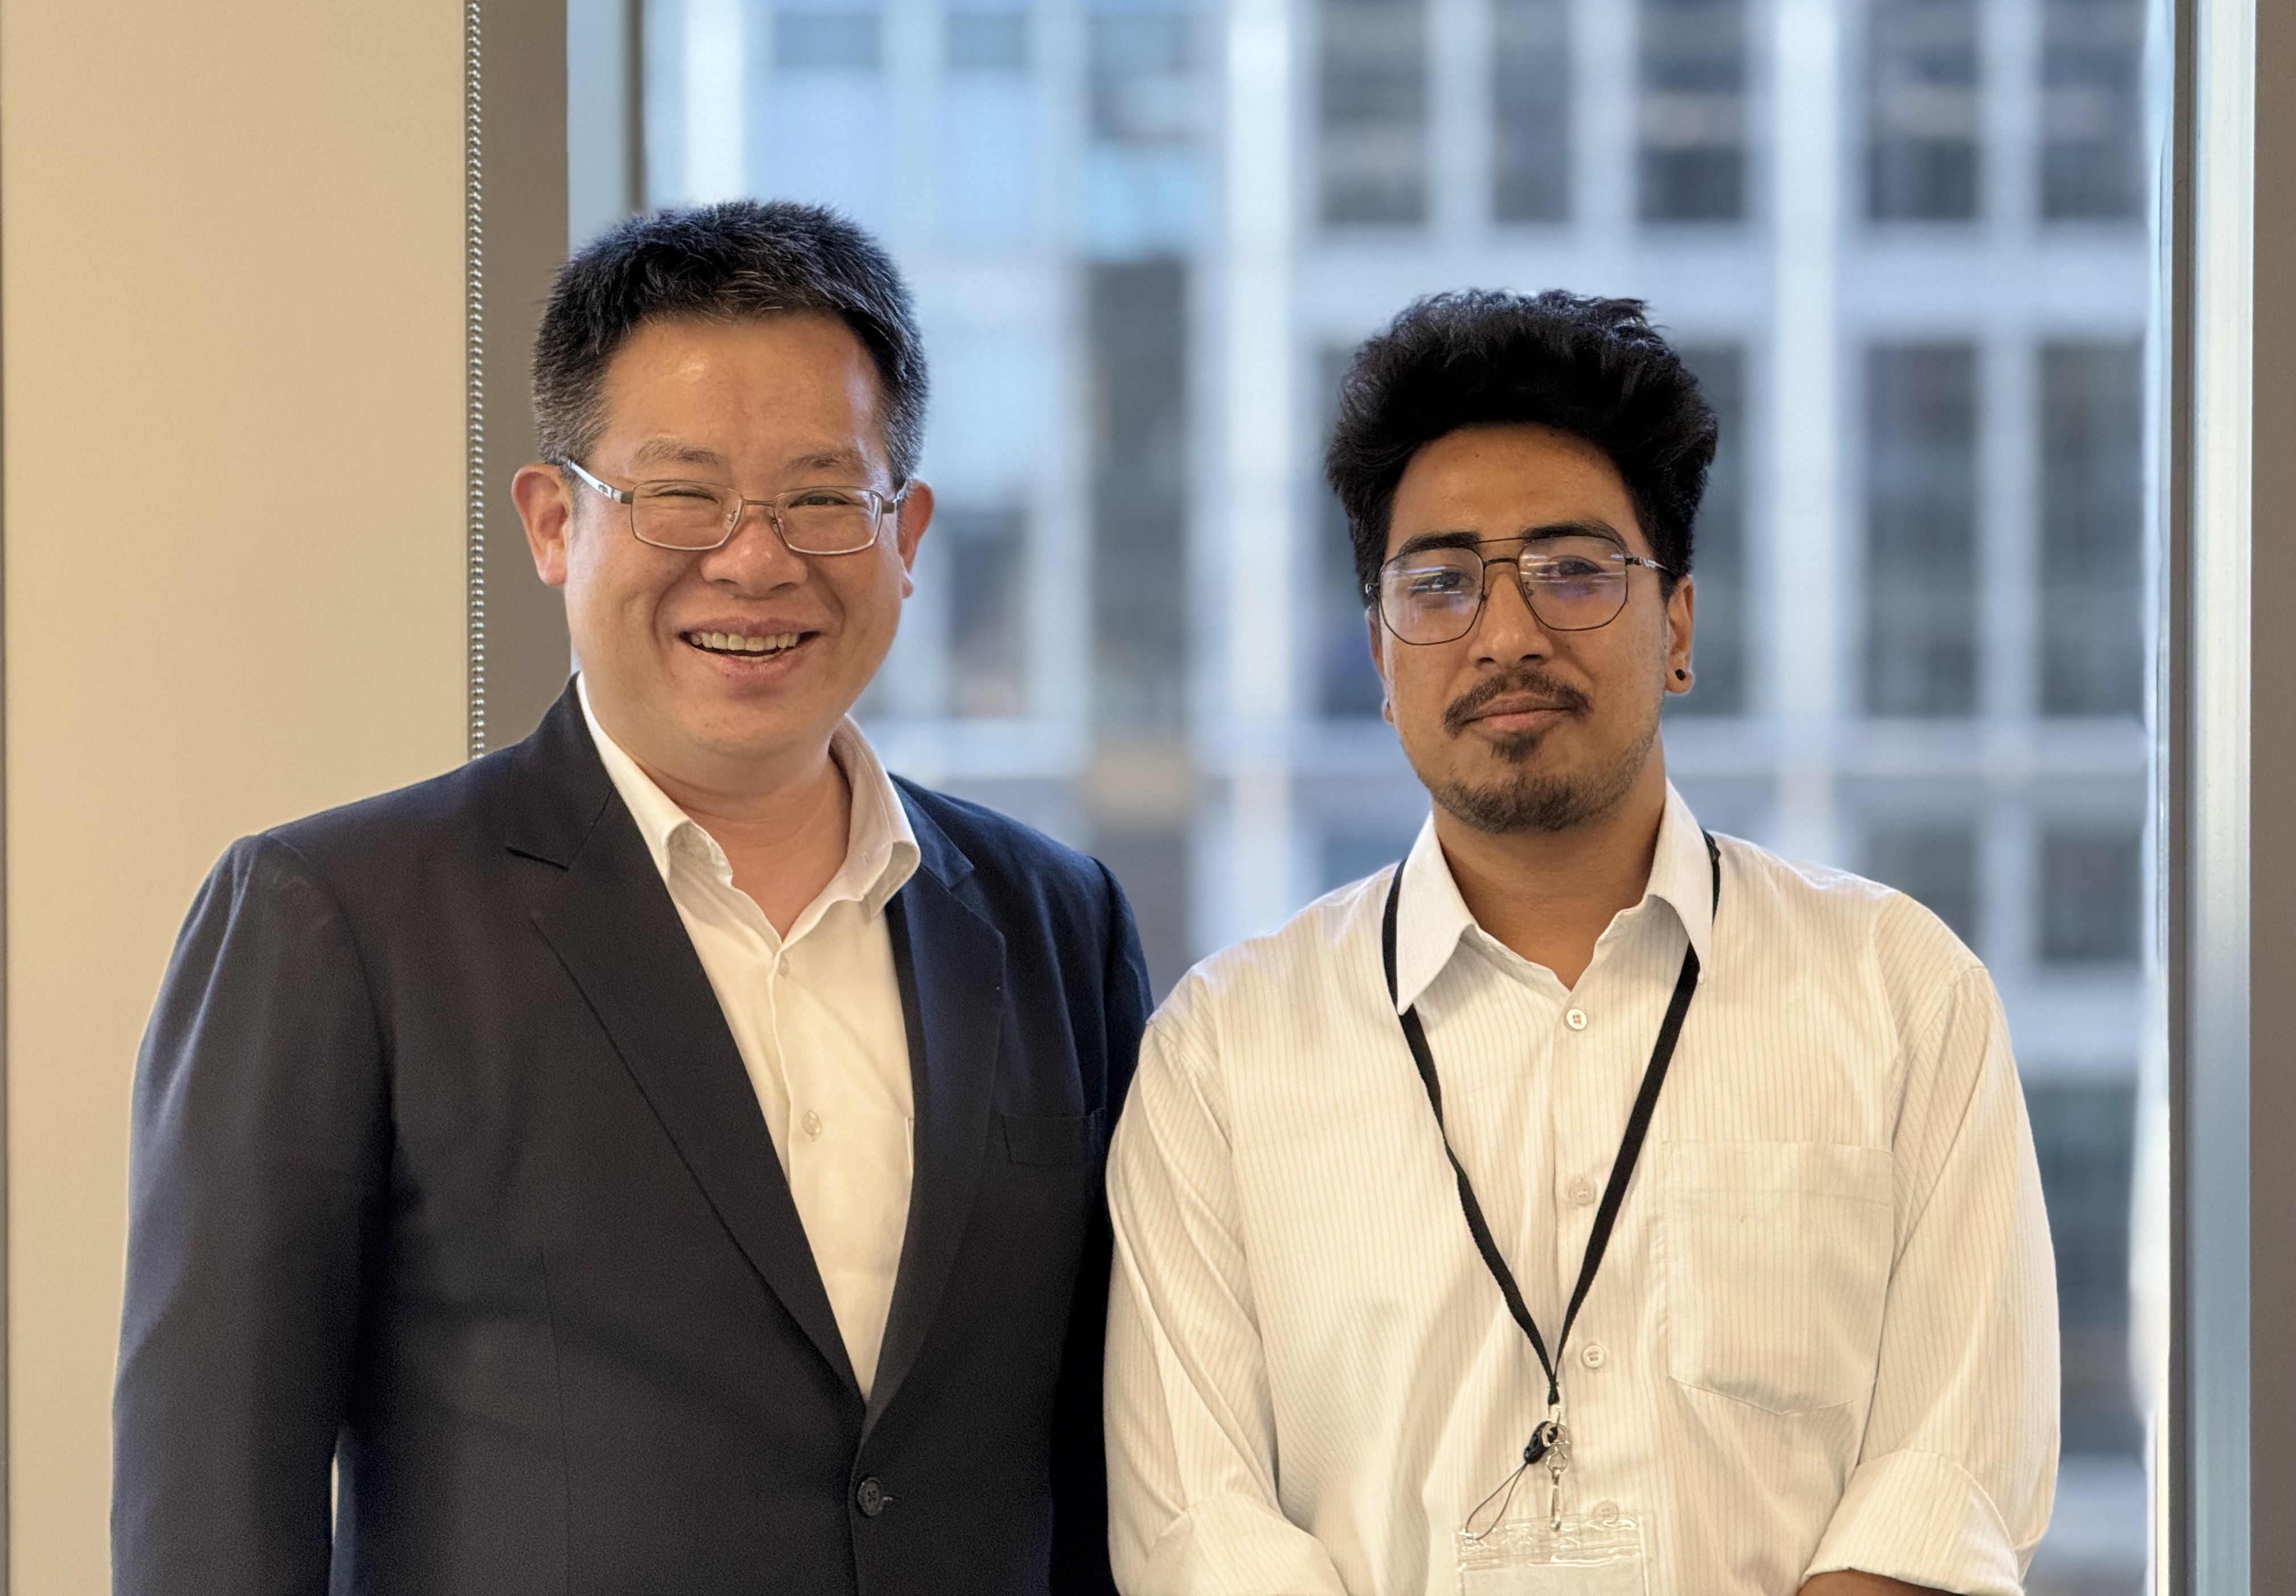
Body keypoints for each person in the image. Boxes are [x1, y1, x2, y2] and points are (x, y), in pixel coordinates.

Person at [113, 200, 1149, 1596]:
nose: (755, 560)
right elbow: (211, 1512)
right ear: (555, 523)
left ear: (904, 533)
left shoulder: (1056, 923)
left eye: (821, 497)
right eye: (682, 495)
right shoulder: (337, 920)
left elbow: (1108, 1469)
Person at [1104, 290, 2057, 1596]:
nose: (1507, 635)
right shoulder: (1223, 1052)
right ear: (1381, 653)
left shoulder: (1900, 991)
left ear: (1678, 627)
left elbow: (1949, 1478)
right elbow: (1197, 1530)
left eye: (1573, 571)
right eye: (1441, 584)